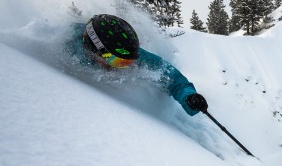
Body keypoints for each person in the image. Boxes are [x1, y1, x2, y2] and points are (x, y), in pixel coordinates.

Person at [66, 14, 208, 116]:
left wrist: (189, 96)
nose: (124, 66)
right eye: (118, 62)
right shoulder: (67, 46)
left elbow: (172, 77)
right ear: (94, 50)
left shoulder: (126, 52)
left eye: (127, 62)